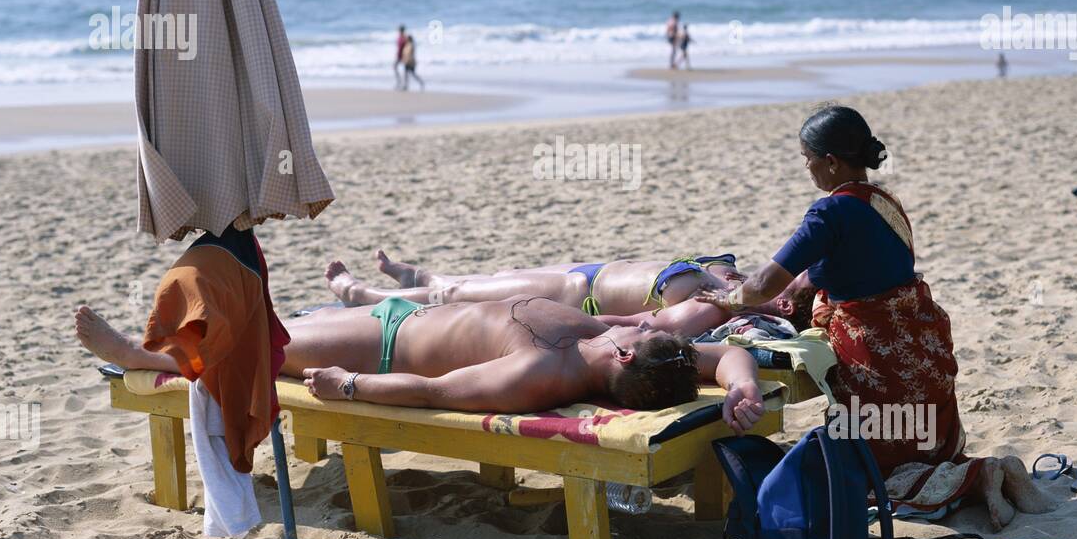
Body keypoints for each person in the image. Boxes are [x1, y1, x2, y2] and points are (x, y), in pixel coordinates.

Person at [693, 104, 1054, 530]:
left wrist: (730, 298)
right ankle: (989, 475)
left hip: (880, 353)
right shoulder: (884, 201)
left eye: (807, 160)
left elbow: (767, 283)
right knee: (919, 441)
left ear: (829, 162)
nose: (807, 170)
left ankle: (977, 476)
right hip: (922, 345)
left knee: (876, 471)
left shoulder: (828, 213)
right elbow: (855, 266)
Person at [75, 295, 766, 431]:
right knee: (272, 325)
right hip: (406, 311)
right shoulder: (633, 350)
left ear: (622, 354)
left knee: (265, 348)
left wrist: (352, 385)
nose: (645, 322)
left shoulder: (540, 376)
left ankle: (142, 357)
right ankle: (170, 341)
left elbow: (437, 393)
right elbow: (728, 352)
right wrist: (743, 389)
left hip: (382, 344)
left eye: (639, 330)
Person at [323, 250, 798, 320]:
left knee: (453, 298)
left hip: (576, 296)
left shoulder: (708, 304)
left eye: (786, 291)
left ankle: (359, 295)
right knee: (485, 280)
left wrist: (768, 312)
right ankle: (416, 277)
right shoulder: (731, 275)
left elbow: (635, 327)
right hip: (589, 270)